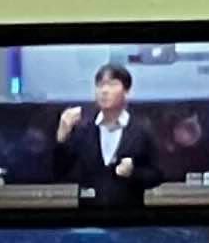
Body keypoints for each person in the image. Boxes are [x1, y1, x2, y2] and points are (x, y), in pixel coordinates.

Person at [54, 65, 155, 215]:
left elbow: (155, 175)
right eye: (100, 85)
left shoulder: (141, 130)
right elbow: (60, 172)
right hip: (88, 216)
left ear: (127, 91)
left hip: (130, 216)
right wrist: (62, 136)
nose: (104, 91)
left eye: (112, 84)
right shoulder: (83, 129)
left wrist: (133, 172)